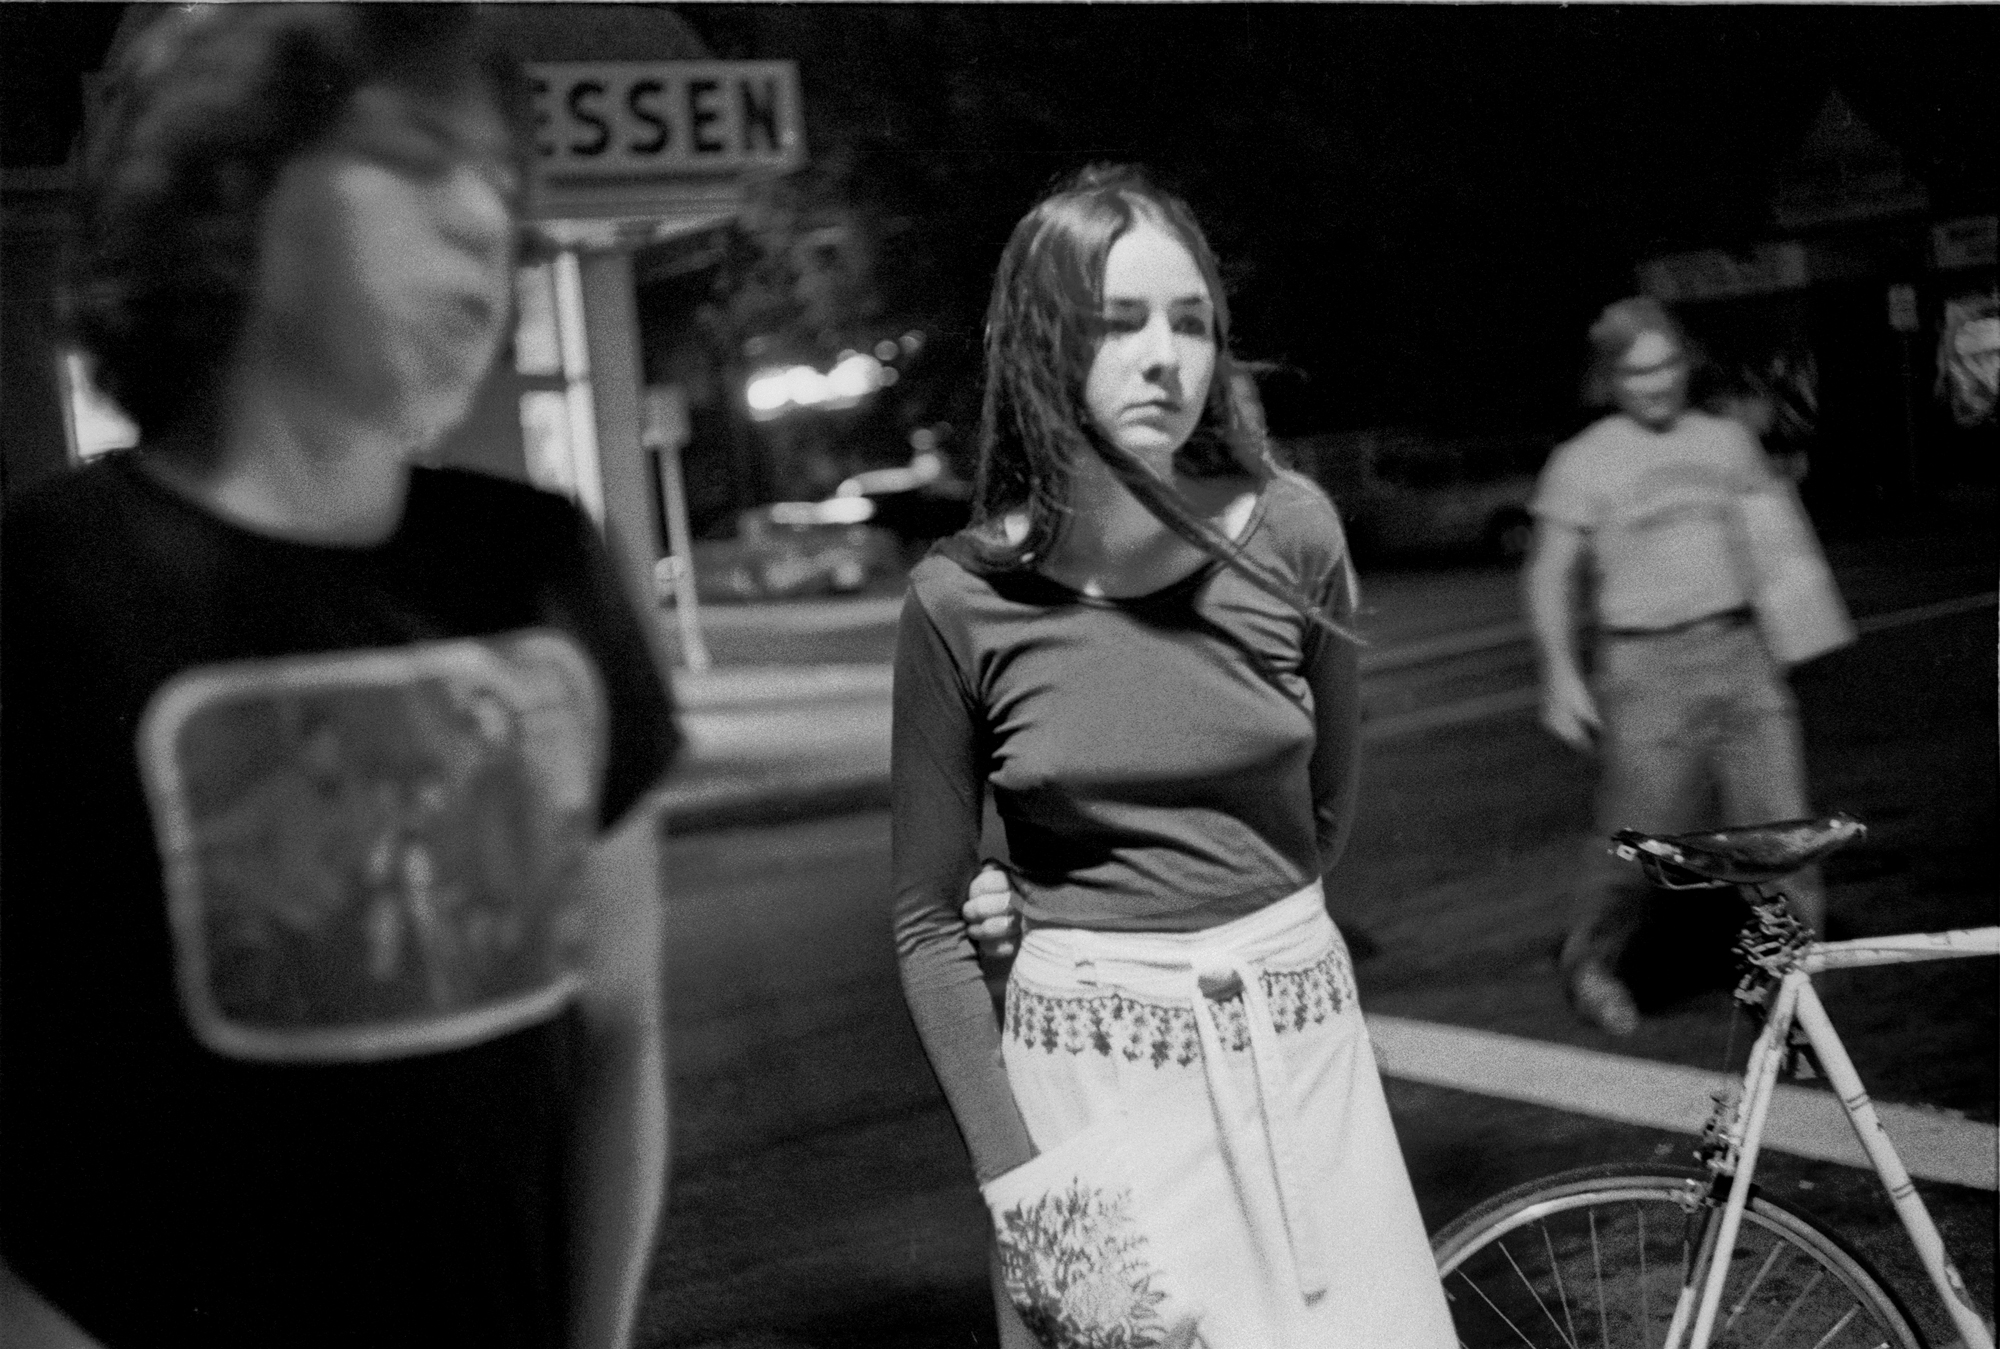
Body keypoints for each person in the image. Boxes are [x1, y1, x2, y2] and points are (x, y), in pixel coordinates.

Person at [0, 8, 679, 1347]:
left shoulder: (542, 570)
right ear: (233, 188)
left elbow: (619, 1037)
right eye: (421, 155)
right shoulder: (41, 597)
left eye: (497, 176)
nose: (484, 217)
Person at [893, 165, 1452, 1347]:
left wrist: (1234, 926)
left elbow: (1323, 815)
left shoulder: (1293, 529)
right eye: (1119, 320)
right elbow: (927, 925)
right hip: (1091, 1100)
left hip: (1306, 1062)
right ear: (1046, 339)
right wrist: (1028, 1200)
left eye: (1190, 321)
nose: (1164, 356)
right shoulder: (956, 597)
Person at [1525, 296, 1826, 1037]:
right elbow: (1547, 573)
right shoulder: (1584, 460)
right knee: (1640, 839)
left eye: (1665, 368)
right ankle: (1591, 961)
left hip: (1740, 652)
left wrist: (1801, 633)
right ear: (1611, 378)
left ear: (1683, 365)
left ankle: (1791, 990)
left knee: (1782, 833)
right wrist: (1560, 673)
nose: (1654, 386)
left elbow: (1778, 542)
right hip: (1644, 667)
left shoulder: (1727, 440)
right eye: (1636, 374)